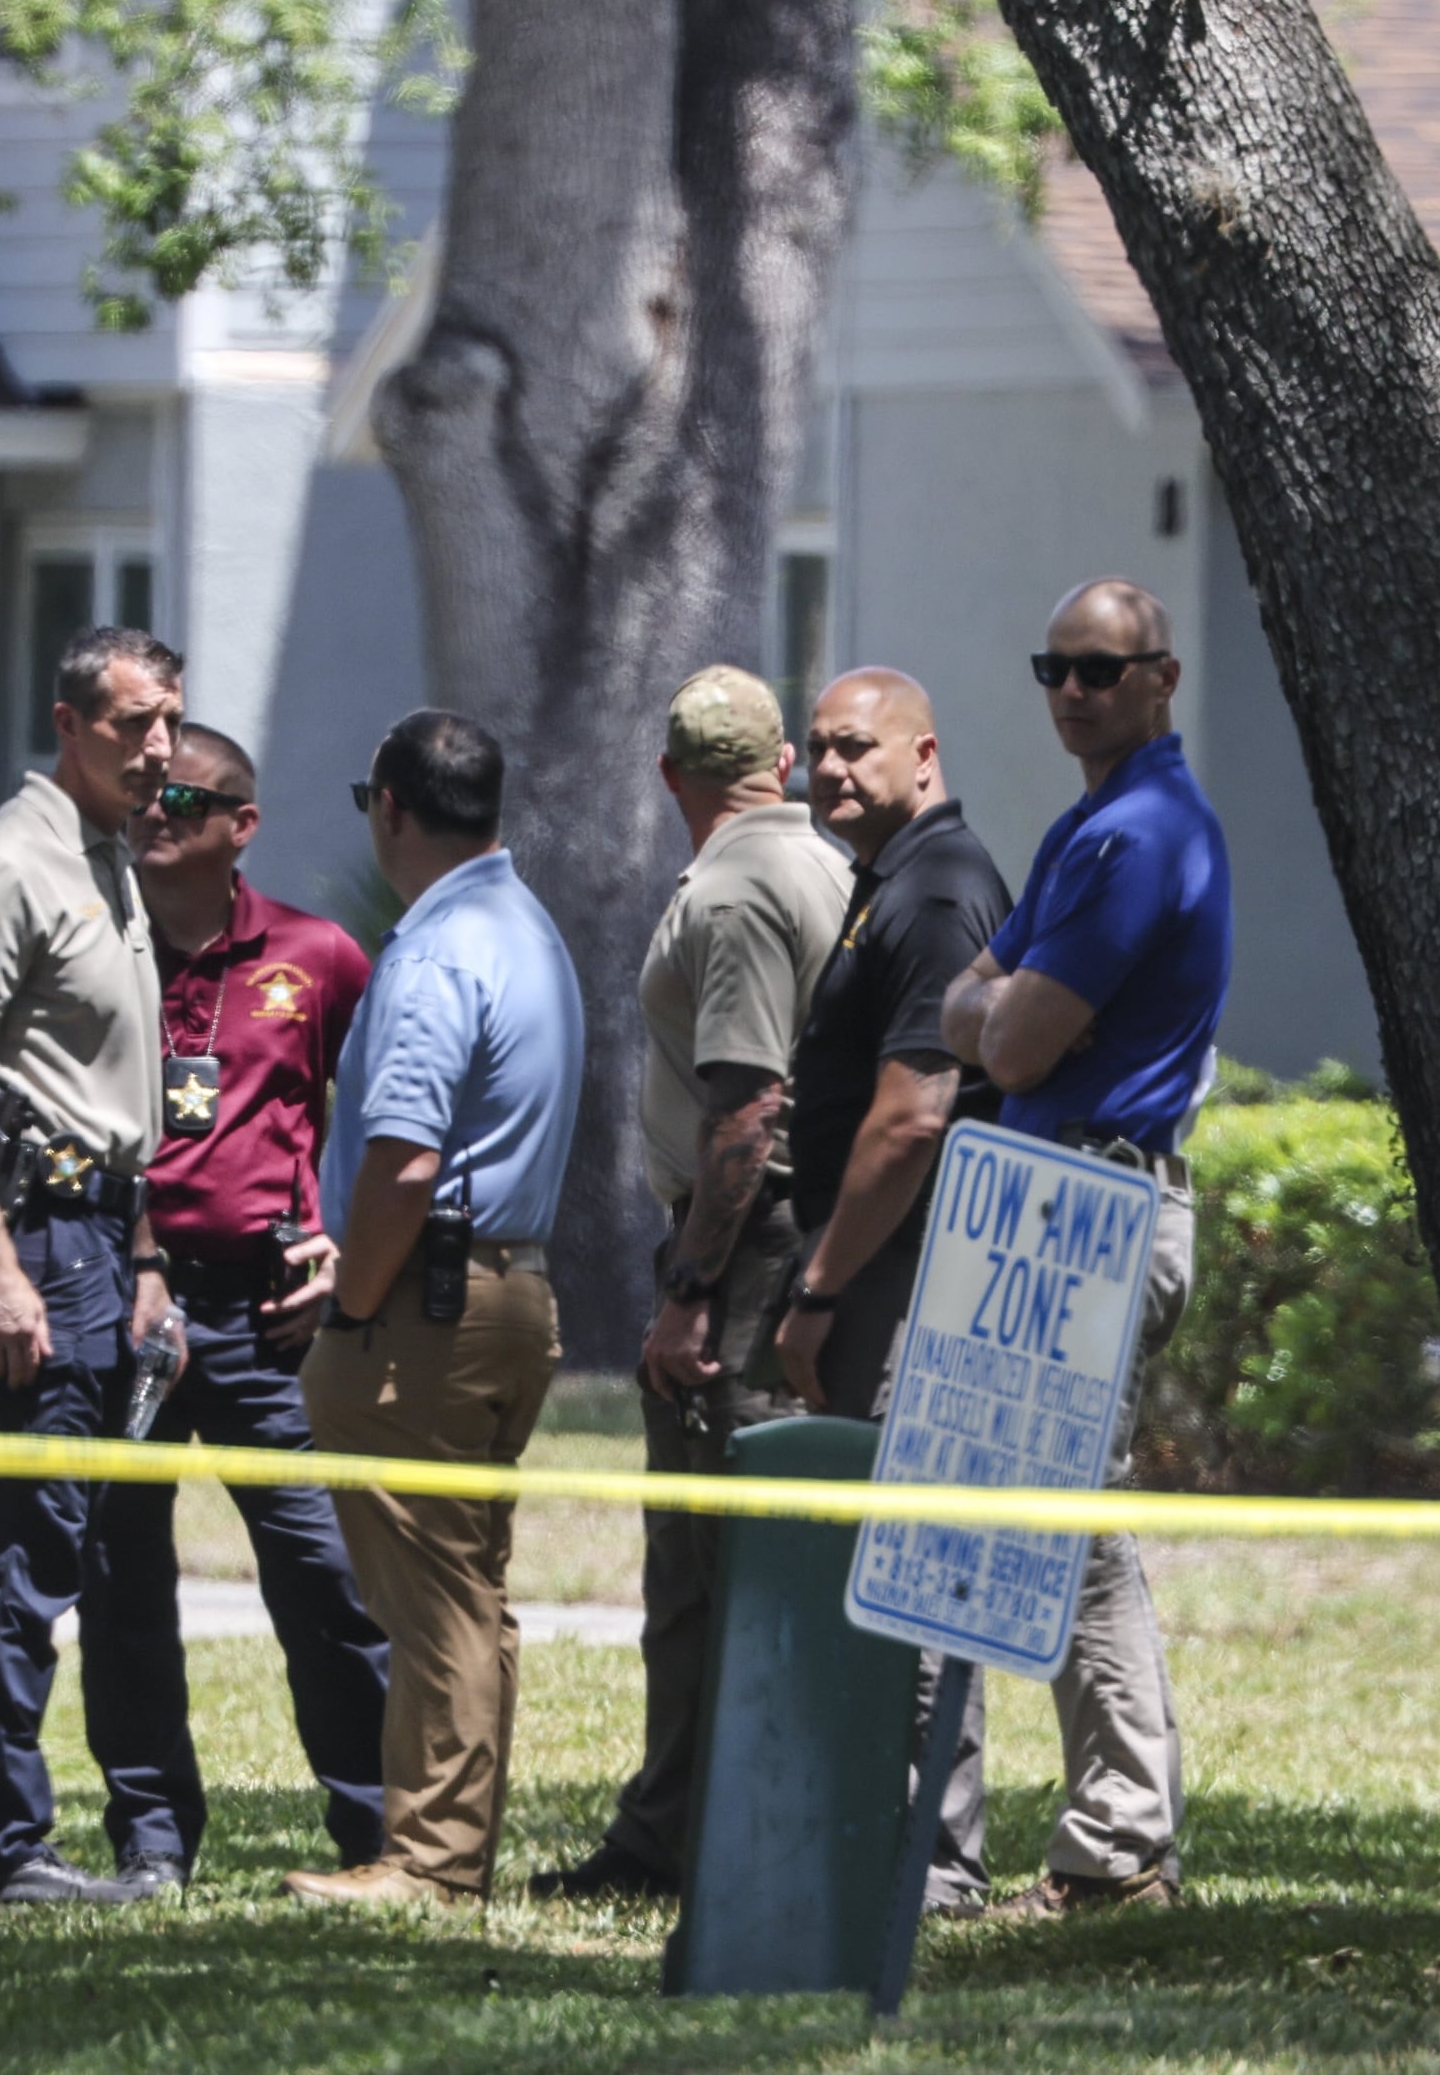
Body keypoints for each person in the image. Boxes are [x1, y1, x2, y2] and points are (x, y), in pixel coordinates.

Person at [533, 667, 851, 1905]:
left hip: (748, 1241)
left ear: (672, 778)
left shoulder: (734, 889)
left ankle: (682, 1842)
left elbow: (748, 1106)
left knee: (703, 1556)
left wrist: (690, 1286)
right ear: (780, 760)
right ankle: (707, 1820)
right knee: (764, 1550)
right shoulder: (827, 866)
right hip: (799, 1235)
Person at [940, 578, 1233, 1917]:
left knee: (1074, 1522)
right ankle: (1058, 1841)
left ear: (1162, 678)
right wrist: (997, 1000)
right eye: (1052, 668)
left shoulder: (1149, 836)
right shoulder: (1088, 825)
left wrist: (999, 1000)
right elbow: (972, 1007)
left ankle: (1122, 1844)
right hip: (1041, 1191)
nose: (1072, 693)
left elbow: (1000, 1038)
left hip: (1096, 1197)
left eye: (1100, 672)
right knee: (1019, 1515)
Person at [0, 626, 183, 1908]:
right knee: (28, 1545)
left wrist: (140, 1261)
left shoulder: (108, 861)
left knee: (57, 1540)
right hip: (31, 1245)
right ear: (70, 726)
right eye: (134, 727)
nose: (160, 750)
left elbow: (109, 1102)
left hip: (96, 1241)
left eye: (170, 722)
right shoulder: (8, 863)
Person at [285, 711, 582, 1911]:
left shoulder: (434, 951)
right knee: (465, 1589)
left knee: (436, 1598)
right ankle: (445, 1841)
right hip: (509, 1290)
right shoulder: (532, 932)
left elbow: (404, 1161)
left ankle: (432, 1863)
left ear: (391, 808)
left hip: (429, 1310)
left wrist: (353, 1299)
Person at [107, 721, 392, 1879]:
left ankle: (377, 1825)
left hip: (266, 1317)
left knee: (323, 1574)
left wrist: (330, 1241)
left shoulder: (315, 957)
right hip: (128, 1313)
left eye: (185, 798)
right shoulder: (98, 949)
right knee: (123, 1579)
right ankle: (154, 1841)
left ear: (243, 825)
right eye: (145, 797)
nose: (156, 813)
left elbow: (377, 1114)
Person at [768, 666, 1016, 1914]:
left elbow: (914, 1117)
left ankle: (939, 1858)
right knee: (880, 1559)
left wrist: (818, 1286)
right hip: (877, 1269)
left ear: (925, 752)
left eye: (856, 747)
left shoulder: (937, 887)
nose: (829, 770)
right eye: (815, 749)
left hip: (907, 1277)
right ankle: (890, 1827)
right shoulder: (890, 886)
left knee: (919, 1562)